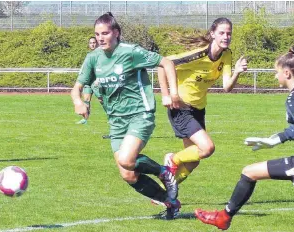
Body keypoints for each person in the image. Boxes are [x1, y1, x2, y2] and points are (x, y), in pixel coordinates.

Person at [195, 46, 294, 230]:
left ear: (286, 73)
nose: (274, 75)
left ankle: (223, 218)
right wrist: (274, 140)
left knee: (249, 172)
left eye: (276, 72)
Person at [71, 12, 182, 219]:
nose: (100, 38)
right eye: (97, 34)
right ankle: (170, 202)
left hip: (140, 114)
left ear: (116, 33)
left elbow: (166, 63)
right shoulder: (93, 58)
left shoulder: (131, 52)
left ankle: (163, 171)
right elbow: (77, 87)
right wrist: (79, 102)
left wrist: (172, 93)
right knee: (128, 174)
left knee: (126, 159)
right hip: (116, 121)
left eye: (105, 33)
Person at [157, 17, 247, 188]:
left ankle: (164, 191)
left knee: (193, 161)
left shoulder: (226, 55)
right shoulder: (198, 55)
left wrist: (237, 72)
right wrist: (167, 94)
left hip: (198, 110)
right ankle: (172, 159)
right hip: (181, 108)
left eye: (229, 33)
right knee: (207, 148)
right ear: (212, 34)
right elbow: (163, 64)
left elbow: (227, 87)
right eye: (221, 33)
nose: (226, 37)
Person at [76, 36, 103, 125]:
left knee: (102, 100)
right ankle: (85, 119)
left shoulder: (100, 54)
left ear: (97, 43)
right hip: (88, 82)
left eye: (94, 42)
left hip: (96, 82)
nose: (92, 44)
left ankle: (113, 118)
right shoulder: (89, 55)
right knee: (86, 100)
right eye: (91, 43)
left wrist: (99, 79)